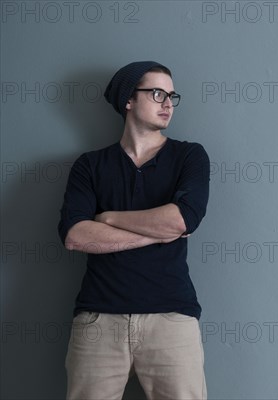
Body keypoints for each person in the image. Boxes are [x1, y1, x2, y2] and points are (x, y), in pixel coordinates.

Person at [58, 61, 209, 399]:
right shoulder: (90, 165)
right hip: (98, 320)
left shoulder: (189, 156)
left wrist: (108, 218)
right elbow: (75, 236)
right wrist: (159, 230)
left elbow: (181, 221)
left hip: (171, 318)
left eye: (172, 95)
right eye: (157, 93)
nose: (168, 103)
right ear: (128, 99)